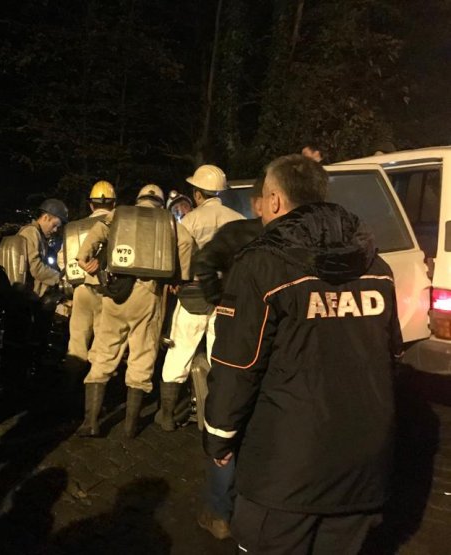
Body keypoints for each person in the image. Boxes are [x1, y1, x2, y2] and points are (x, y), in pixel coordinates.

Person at [203, 155, 402, 554]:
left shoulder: (262, 264)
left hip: (284, 474)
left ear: (274, 201)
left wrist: (218, 436)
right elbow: (390, 356)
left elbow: (236, 366)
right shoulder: (376, 265)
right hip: (362, 468)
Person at [76, 184, 194, 438]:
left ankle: (91, 422)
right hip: (147, 294)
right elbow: (186, 243)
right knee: (141, 355)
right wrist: (180, 278)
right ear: (160, 202)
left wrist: (84, 258)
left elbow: (97, 231)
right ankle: (130, 426)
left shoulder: (120, 214)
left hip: (116, 292)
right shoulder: (167, 221)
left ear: (139, 198)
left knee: (104, 353)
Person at [190, 176, 264, 540]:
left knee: (228, 412)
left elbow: (203, 262)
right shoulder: (312, 240)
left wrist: (219, 299)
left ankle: (220, 511)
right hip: (287, 343)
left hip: (238, 335)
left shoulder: (240, 232)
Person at [157, 165, 243, 432]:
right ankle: (217, 414)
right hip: (226, 296)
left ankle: (168, 416)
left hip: (194, 294)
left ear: (197, 194)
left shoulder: (189, 222)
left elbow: (178, 257)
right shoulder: (238, 220)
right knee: (219, 355)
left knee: (178, 352)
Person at [0, 198, 68, 390]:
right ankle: (17, 387)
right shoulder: (31, 233)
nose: (55, 230)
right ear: (46, 217)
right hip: (26, 300)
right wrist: (60, 279)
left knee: (27, 345)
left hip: (29, 300)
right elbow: (36, 268)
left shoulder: (38, 236)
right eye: (55, 225)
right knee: (24, 346)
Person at [64, 181, 116, 377]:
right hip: (107, 292)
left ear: (91, 205)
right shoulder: (117, 226)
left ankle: (70, 393)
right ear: (113, 204)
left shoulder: (74, 228)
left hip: (80, 291)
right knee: (101, 347)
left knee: (76, 345)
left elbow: (65, 262)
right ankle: (95, 395)